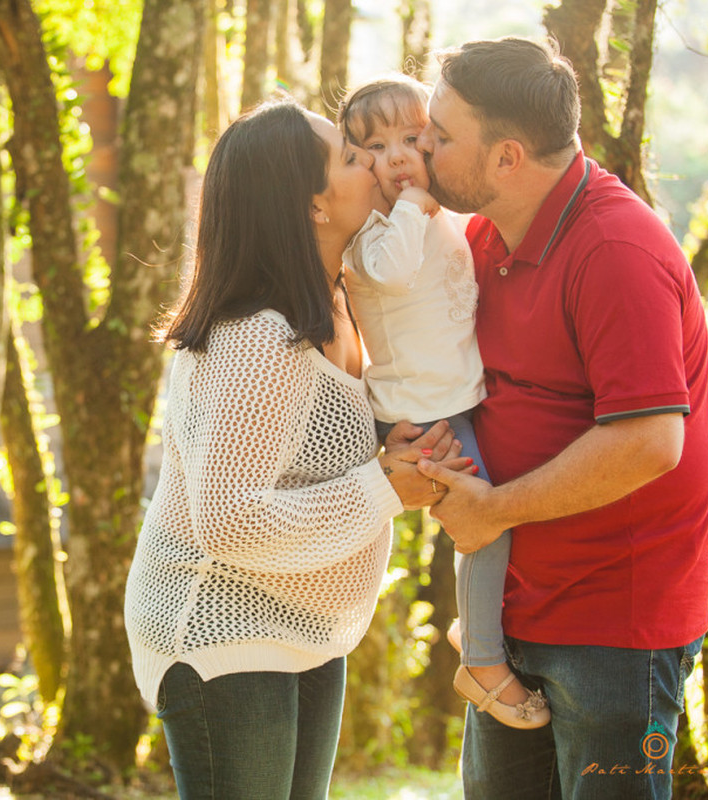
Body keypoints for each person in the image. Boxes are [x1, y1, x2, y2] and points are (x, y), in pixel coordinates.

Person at [123, 95, 470, 799]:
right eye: (350, 156)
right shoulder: (256, 335)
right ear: (312, 205)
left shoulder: (338, 299)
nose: (374, 161)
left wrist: (382, 436)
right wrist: (385, 488)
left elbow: (298, 442)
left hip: (307, 625)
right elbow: (231, 519)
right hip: (223, 629)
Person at [414, 37, 708, 799]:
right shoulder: (482, 236)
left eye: (442, 135)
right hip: (514, 602)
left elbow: (652, 441)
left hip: (615, 618)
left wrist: (494, 509)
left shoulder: (616, 249)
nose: (424, 145)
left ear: (507, 157)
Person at [336, 75, 549, 730]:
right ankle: (481, 659)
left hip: (457, 398)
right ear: (352, 162)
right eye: (374, 145)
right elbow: (395, 269)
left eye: (412, 137)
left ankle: (481, 637)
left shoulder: (436, 212)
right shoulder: (372, 235)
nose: (397, 154)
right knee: (484, 525)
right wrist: (415, 203)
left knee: (485, 523)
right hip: (418, 408)